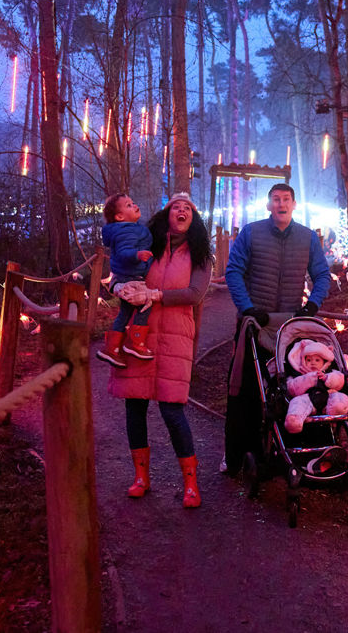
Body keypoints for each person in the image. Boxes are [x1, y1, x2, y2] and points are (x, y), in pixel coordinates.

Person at [107, 193, 212, 508]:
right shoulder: (145, 242)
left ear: (194, 219)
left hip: (175, 337)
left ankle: (190, 483)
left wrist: (157, 294)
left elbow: (194, 294)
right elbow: (120, 272)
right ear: (165, 215)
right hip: (140, 334)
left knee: (172, 410)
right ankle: (141, 477)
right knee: (134, 407)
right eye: (175, 207)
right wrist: (116, 288)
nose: (181, 210)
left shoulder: (201, 255)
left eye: (188, 209)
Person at [222, 183, 331, 472]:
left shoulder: (307, 238)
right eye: (275, 199)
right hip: (256, 322)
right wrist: (246, 307)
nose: (281, 204)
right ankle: (237, 456)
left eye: (286, 199)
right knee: (245, 389)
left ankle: (298, 450)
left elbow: (322, 274)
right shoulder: (252, 233)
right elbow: (233, 271)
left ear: (294, 204)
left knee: (296, 387)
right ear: (268, 205)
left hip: (291, 328)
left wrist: (312, 306)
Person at [98, 193, 154, 367]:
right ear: (120, 217)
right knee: (145, 304)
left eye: (133, 202)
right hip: (130, 278)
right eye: (129, 205)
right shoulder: (126, 229)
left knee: (125, 312)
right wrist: (137, 255)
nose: (134, 205)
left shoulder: (127, 228)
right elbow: (123, 252)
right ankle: (136, 343)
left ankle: (112, 349)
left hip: (124, 277)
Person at [283, 339, 348, 434]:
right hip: (307, 399)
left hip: (328, 396)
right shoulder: (298, 374)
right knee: (297, 402)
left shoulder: (330, 371)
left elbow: (340, 381)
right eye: (308, 360)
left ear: (324, 361)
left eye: (317, 360)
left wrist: (327, 378)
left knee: (339, 397)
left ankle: (336, 410)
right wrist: (309, 378)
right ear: (303, 361)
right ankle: (294, 420)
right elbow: (292, 388)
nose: (313, 363)